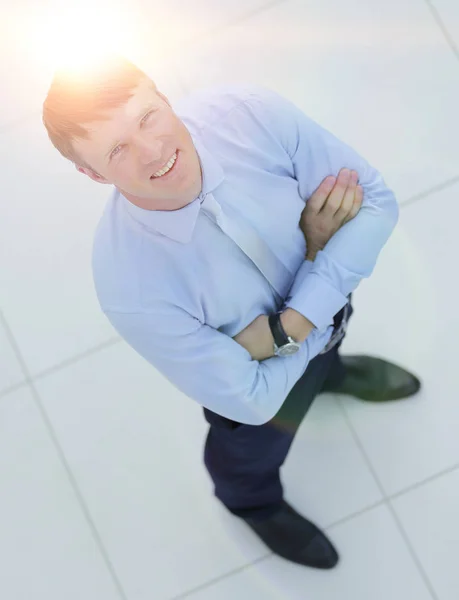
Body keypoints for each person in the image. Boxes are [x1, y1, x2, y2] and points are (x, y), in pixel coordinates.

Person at [42, 53, 420, 570]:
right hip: (262, 394)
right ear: (92, 173)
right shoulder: (128, 285)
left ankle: (329, 373)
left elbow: (376, 202)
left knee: (328, 346)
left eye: (146, 116)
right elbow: (253, 401)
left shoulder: (248, 113)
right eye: (117, 149)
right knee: (249, 454)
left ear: (162, 94)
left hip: (293, 337)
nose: (153, 151)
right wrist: (322, 259)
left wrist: (287, 328)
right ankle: (253, 504)